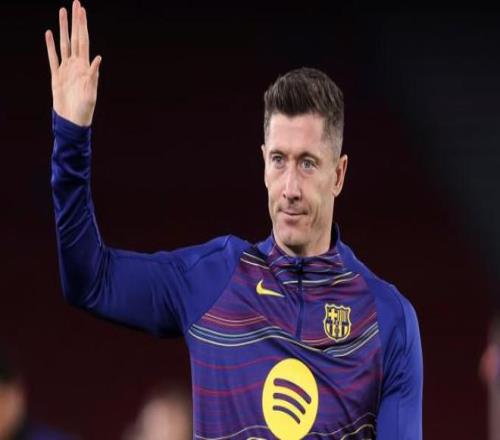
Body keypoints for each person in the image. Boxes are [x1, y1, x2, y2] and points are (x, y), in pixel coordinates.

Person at [45, 1, 423, 438]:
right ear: (263, 163)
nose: (290, 188)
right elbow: (90, 281)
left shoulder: (387, 320)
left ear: (338, 175)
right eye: (279, 160)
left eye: (307, 163)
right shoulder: (213, 279)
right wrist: (71, 137)